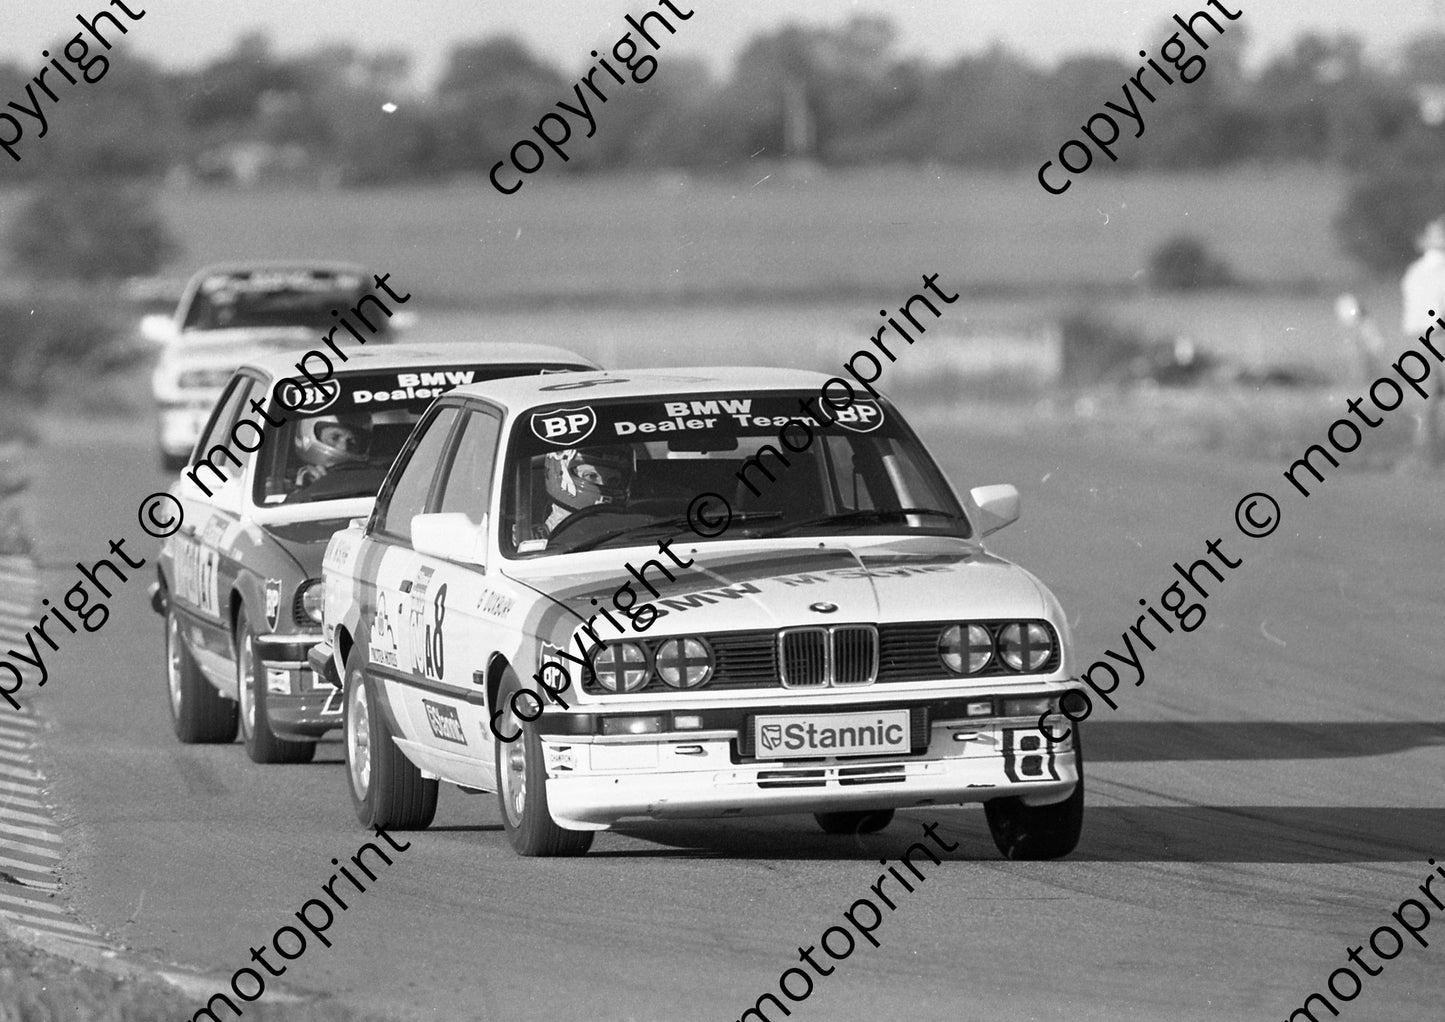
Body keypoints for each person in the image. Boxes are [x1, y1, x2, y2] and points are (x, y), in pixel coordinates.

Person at [1401, 218, 1445, 468]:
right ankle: (1428, 457)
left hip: (1425, 338)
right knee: (1426, 400)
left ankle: (1426, 457)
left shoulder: (1416, 271)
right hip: (1432, 338)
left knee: (1425, 400)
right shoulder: (1424, 271)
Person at [538, 446, 633, 536]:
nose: (603, 485)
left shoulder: (630, 535)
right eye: (591, 476)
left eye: (613, 480)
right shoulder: (535, 543)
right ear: (560, 472)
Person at [293, 414, 372, 487]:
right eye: (334, 438)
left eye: (352, 440)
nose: (343, 447)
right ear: (310, 436)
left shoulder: (372, 480)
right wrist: (307, 488)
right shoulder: (293, 486)